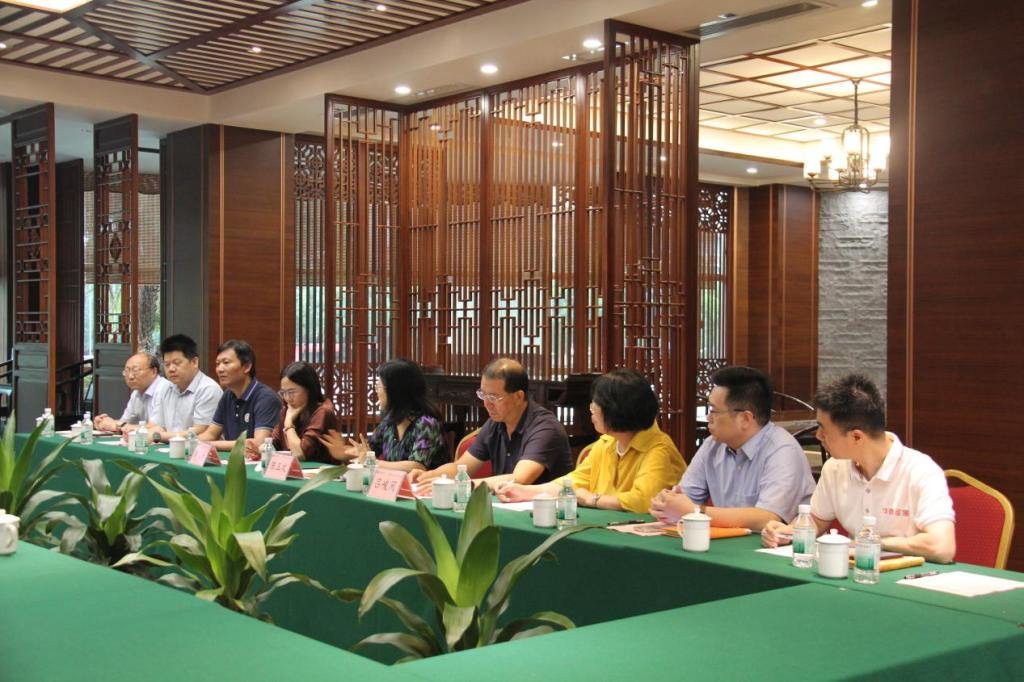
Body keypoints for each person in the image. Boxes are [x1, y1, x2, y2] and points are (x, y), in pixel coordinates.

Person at [761, 374, 956, 563]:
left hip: (907, 575)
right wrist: (788, 532)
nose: (818, 436)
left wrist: (875, 543)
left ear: (856, 437)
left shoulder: (921, 471)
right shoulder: (835, 467)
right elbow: (817, 520)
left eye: (823, 429)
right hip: (856, 570)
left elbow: (942, 547)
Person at [496, 369, 686, 513]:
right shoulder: (607, 444)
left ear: (617, 410)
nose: (591, 408)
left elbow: (643, 500)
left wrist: (592, 500)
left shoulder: (658, 449)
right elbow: (573, 483)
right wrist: (524, 491)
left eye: (596, 403)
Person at [649, 366, 815, 530]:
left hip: (775, 545)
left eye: (714, 411)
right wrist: (667, 504)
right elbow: (685, 498)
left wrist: (694, 511)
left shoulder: (782, 450)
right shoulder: (712, 445)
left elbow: (767, 518)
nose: (708, 417)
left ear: (745, 419)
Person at [407, 357, 572, 491]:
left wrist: (464, 485)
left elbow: (519, 479)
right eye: (483, 395)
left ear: (518, 396)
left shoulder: (545, 428)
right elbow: (461, 467)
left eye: (493, 397)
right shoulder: (496, 423)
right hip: (507, 505)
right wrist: (429, 476)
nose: (486, 404)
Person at [320, 358, 447, 471]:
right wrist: (343, 452)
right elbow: (368, 452)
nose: (376, 391)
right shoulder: (389, 421)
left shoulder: (427, 424)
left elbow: (416, 466)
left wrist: (371, 462)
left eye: (379, 386)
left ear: (395, 391)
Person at [199, 340, 281, 451]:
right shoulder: (228, 395)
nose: (220, 369)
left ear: (247, 367)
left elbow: (258, 443)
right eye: (217, 364)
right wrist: (189, 442)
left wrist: (210, 445)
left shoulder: (266, 398)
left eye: (226, 362)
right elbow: (210, 434)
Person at [147, 334, 222, 439]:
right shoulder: (166, 388)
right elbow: (158, 426)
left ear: (194, 362)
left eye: (177, 363)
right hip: (169, 445)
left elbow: (199, 431)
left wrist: (158, 436)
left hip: (196, 447)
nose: (171, 369)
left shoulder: (208, 389)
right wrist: (143, 435)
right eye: (167, 364)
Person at [265, 361, 338, 462]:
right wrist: (260, 448)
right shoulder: (288, 409)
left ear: (309, 389)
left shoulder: (323, 411)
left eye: (291, 392)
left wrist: (288, 425)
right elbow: (274, 443)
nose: (287, 398)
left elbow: (300, 454)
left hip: (322, 471)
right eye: (283, 393)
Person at [94, 352, 172, 435]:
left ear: (153, 371)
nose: (130, 376)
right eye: (127, 371)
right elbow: (125, 422)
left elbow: (156, 427)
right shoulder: (136, 392)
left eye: (136, 370)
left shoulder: (165, 389)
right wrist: (105, 422)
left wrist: (117, 425)